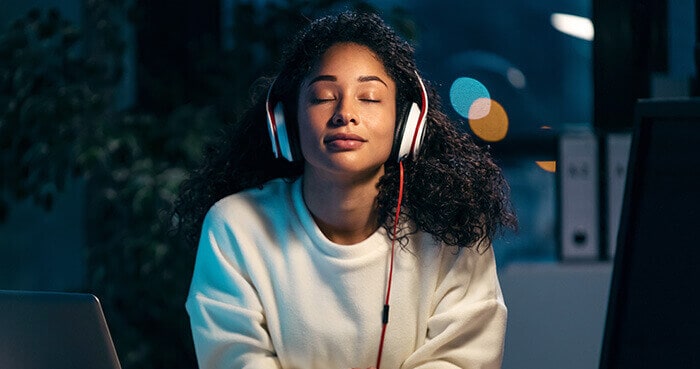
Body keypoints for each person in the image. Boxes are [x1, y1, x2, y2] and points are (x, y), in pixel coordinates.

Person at [176, 10, 517, 369]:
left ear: (407, 126)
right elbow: (236, 360)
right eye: (323, 96)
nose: (345, 114)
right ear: (285, 121)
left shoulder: (455, 230)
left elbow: (460, 362)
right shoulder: (237, 227)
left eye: (369, 97)